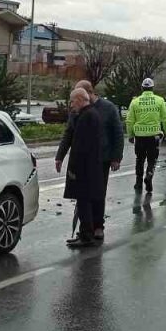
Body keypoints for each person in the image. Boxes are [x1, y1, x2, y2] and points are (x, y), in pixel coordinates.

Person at [56, 80, 123, 240]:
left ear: (87, 93)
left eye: (77, 96)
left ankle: (98, 226)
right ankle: (87, 228)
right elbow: (69, 133)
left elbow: (118, 133)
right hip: (84, 159)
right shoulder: (77, 111)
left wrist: (116, 157)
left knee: (98, 193)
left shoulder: (107, 108)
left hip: (103, 158)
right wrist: (60, 156)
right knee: (83, 194)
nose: (73, 103)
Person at [63, 88, 106, 249]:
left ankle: (86, 235)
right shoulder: (91, 114)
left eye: (72, 101)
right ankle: (84, 233)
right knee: (84, 201)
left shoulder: (86, 117)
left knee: (84, 202)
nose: (71, 104)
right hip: (91, 166)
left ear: (81, 99)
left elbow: (79, 146)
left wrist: (73, 168)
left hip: (84, 168)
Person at [127, 77, 166, 193]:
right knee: (152, 159)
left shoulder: (135, 102)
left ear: (142, 88)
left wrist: (130, 135)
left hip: (139, 136)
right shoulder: (160, 100)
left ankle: (138, 182)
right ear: (152, 88)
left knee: (139, 159)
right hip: (154, 135)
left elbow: (129, 120)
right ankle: (149, 175)